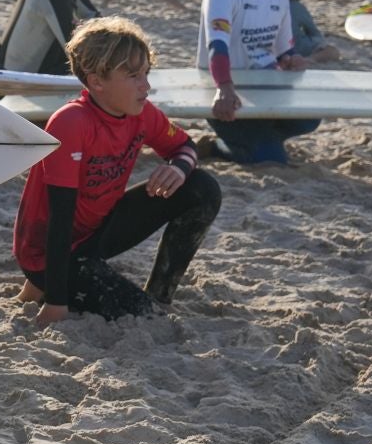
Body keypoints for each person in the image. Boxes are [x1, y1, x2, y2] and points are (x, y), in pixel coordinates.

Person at [14, 17, 220, 324]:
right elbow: (59, 219)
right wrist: (56, 302)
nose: (146, 86)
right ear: (97, 81)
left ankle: (160, 295)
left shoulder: (141, 113)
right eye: (134, 76)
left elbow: (185, 146)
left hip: (95, 235)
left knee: (202, 188)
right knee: (144, 319)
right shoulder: (71, 122)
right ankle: (43, 285)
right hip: (48, 253)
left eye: (146, 74)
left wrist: (177, 168)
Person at [200, 0, 319, 162]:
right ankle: (218, 147)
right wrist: (224, 88)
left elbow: (282, 51)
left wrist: (292, 59)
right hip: (228, 94)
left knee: (311, 116)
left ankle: (263, 138)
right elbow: (217, 45)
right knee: (271, 159)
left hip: (263, 89)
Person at [276, 0, 341, 63]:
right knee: (332, 51)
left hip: (274, 50)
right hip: (296, 48)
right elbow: (314, 33)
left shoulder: (268, 2)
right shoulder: (297, 7)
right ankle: (310, 59)